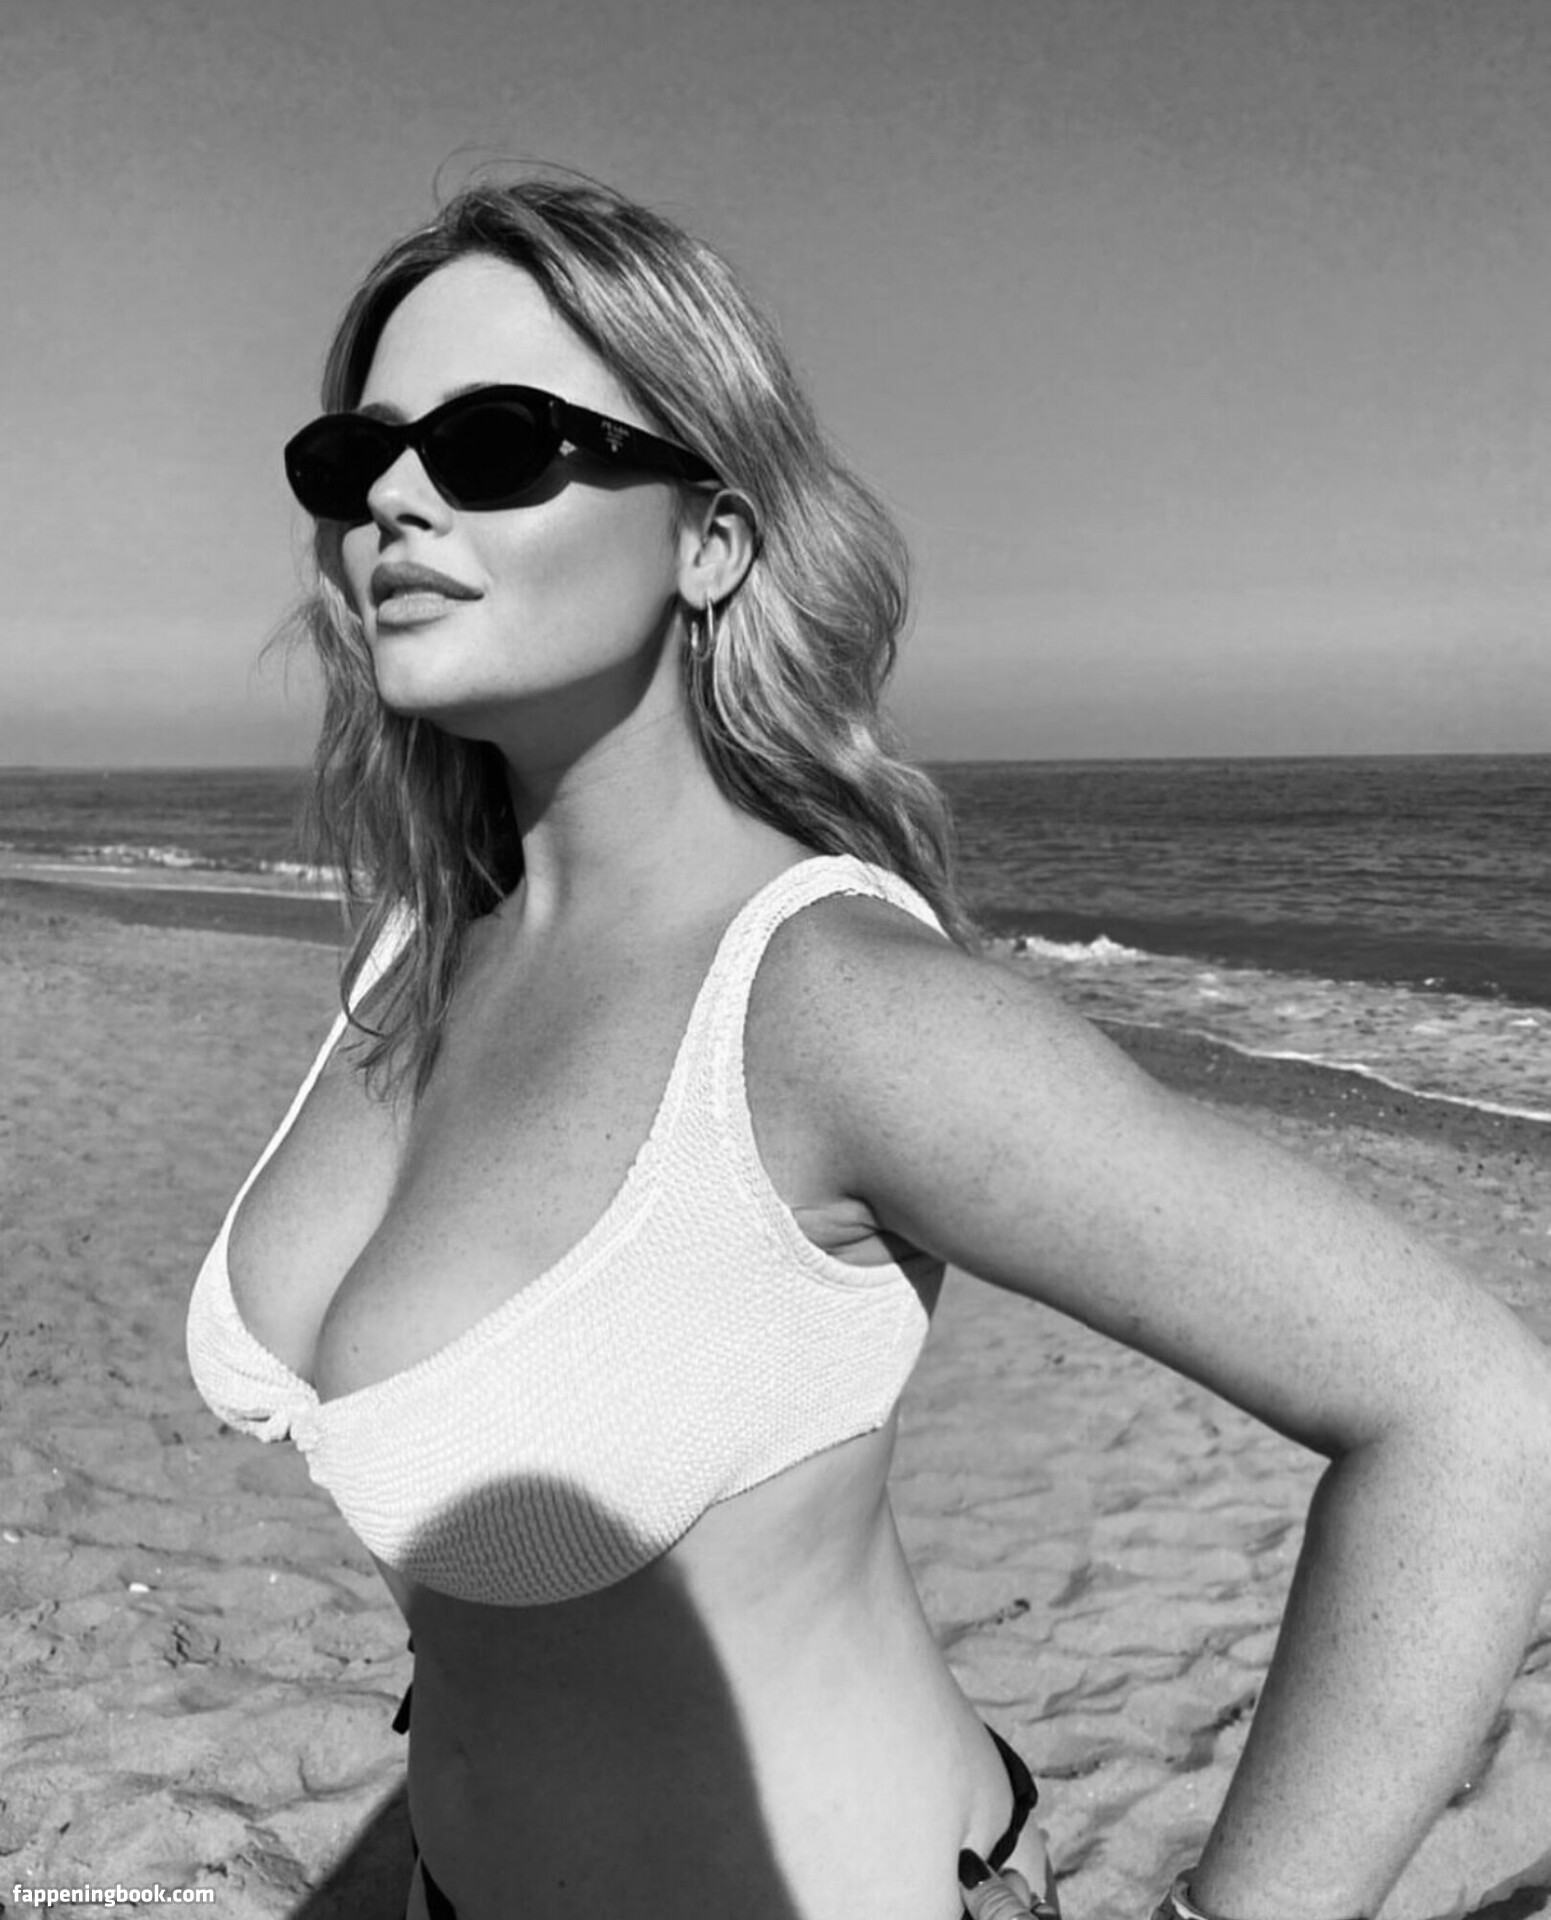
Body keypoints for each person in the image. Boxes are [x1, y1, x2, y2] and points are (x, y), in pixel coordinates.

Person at [185, 174, 1551, 1920]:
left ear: (710, 539)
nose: (393, 495)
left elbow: (1471, 1415)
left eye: (495, 443)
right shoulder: (414, 949)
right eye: (353, 455)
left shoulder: (824, 1005)